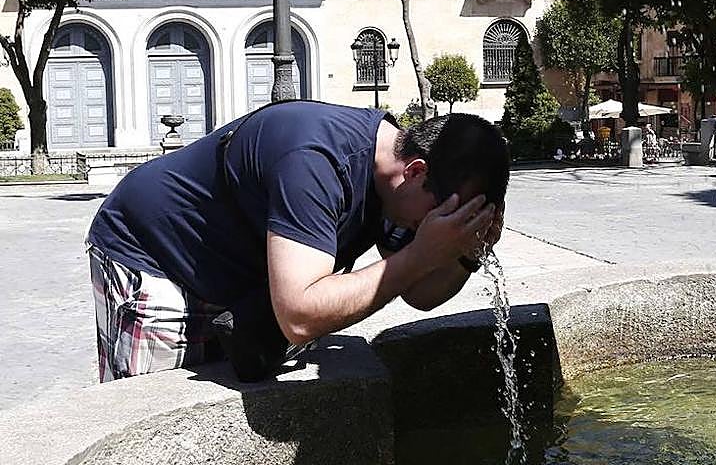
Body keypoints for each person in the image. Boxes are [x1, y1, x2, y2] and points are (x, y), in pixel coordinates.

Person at [85, 101, 509, 382]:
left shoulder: (395, 186)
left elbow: (419, 294)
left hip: (230, 270)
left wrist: (464, 253)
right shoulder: (316, 162)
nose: (442, 225)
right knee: (157, 424)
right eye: (448, 213)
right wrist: (420, 255)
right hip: (152, 253)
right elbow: (300, 317)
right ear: (415, 172)